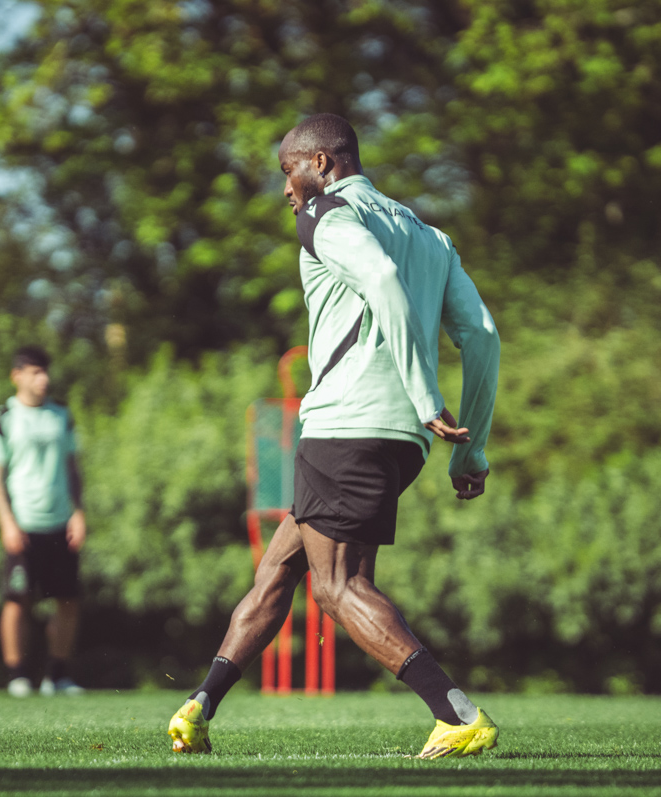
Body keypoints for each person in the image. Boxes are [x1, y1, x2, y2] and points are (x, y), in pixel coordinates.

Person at [167, 113, 501, 758]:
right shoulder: (431, 235)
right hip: (402, 440)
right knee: (278, 569)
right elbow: (483, 336)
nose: (285, 189)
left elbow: (380, 279)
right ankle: (199, 706)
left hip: (346, 425)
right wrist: (472, 446)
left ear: (320, 163)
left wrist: (426, 396)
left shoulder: (326, 213)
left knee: (338, 586)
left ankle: (457, 714)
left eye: (288, 170)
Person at [0, 346, 87, 697]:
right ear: (17, 376)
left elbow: (73, 468)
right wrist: (7, 521)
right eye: (35, 372)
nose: (43, 378)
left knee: (68, 601)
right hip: (23, 524)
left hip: (61, 523)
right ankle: (17, 676)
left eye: (45, 371)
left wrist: (78, 512)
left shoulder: (61, 415)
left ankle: (57, 676)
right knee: (18, 601)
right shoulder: (2, 418)